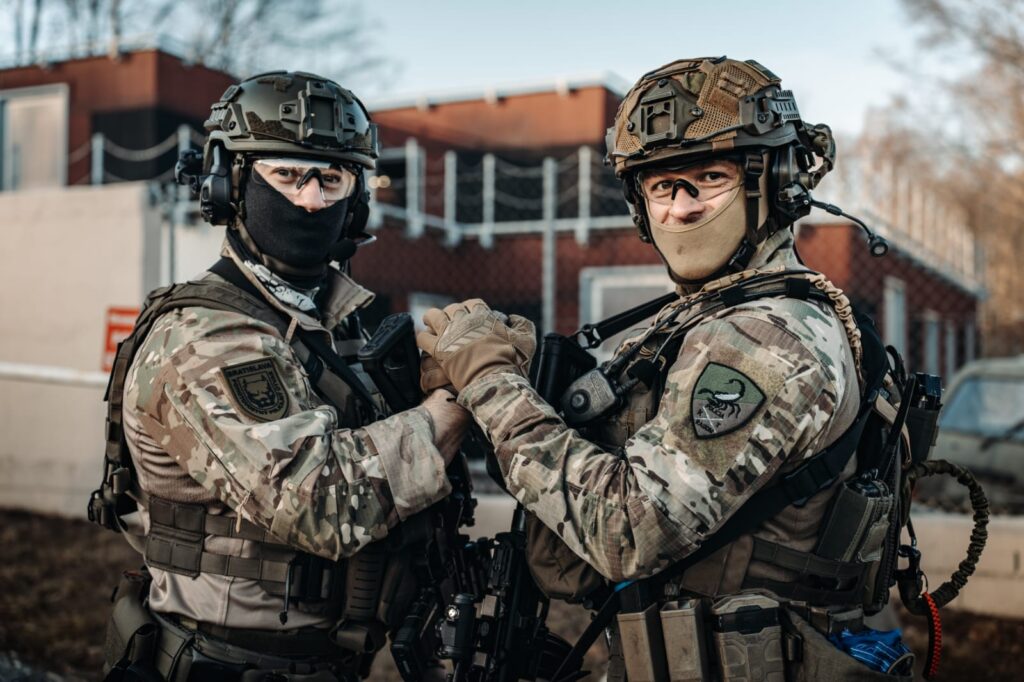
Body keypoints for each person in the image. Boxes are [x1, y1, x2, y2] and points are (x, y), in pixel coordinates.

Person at [417, 58, 912, 680]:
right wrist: (530, 372)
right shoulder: (712, 315)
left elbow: (630, 530)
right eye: (660, 186)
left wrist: (490, 383)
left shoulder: (763, 337)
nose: (680, 208)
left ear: (777, 182)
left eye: (707, 177)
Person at [94, 71, 468, 681]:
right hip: (223, 664)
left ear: (358, 197)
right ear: (229, 184)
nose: (311, 200)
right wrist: (456, 404)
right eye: (288, 174)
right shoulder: (206, 336)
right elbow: (319, 502)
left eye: (332, 177)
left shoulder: (325, 323)